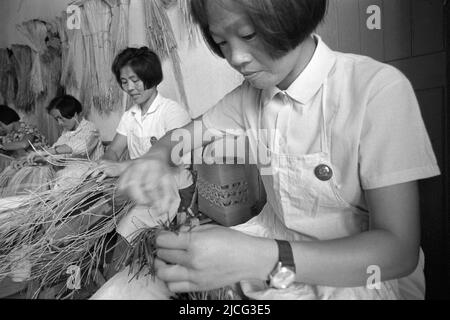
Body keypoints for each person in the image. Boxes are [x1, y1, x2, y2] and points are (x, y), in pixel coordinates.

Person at [97, 0, 440, 300]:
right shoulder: (251, 95)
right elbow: (185, 134)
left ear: (294, 14)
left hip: (352, 276)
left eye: (247, 35)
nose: (235, 57)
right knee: (125, 290)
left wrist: (260, 257)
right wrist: (156, 158)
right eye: (220, 42)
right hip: (267, 247)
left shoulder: (375, 90)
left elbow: (398, 251)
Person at [94, 47, 195, 240]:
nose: (130, 88)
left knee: (128, 228)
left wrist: (121, 168)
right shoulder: (129, 116)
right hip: (141, 186)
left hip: (175, 190)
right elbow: (114, 149)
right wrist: (106, 163)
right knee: (99, 217)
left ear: (151, 77)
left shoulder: (172, 113)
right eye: (124, 82)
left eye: (135, 80)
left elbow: (171, 161)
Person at [0, 95, 104, 196]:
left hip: (88, 175)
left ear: (74, 114)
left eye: (60, 118)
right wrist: (34, 160)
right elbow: (56, 156)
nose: (59, 123)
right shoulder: (66, 133)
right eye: (56, 119)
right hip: (67, 173)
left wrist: (45, 152)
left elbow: (79, 147)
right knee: (35, 170)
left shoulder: (90, 129)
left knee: (63, 176)